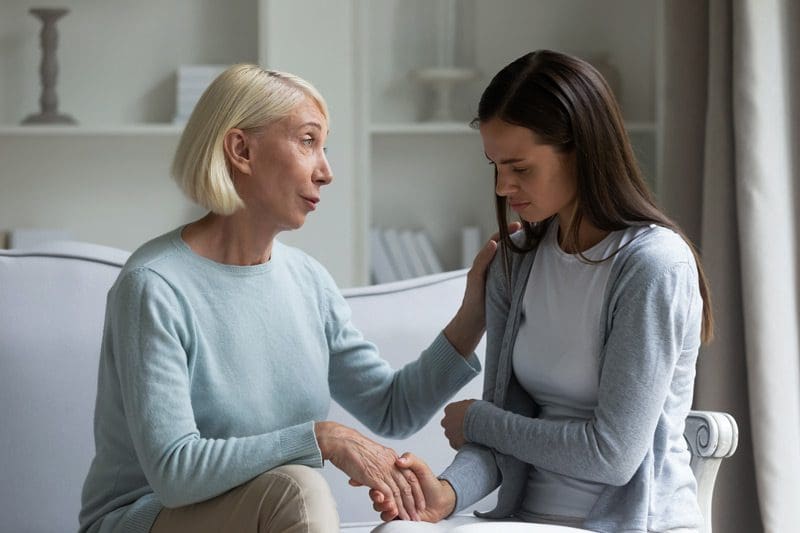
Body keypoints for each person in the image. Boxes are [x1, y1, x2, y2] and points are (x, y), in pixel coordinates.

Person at [77, 64, 500, 533]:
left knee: (300, 486)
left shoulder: (308, 281)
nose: (326, 172)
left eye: (324, 147)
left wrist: (473, 314)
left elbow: (392, 408)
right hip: (144, 520)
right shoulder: (154, 286)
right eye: (307, 141)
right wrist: (323, 438)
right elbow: (175, 472)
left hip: (260, 515)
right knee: (300, 487)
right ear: (241, 150)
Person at [368, 50, 715, 533]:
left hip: (626, 524)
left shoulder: (652, 264)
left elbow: (612, 456)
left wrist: (479, 421)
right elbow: (505, 436)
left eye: (521, 168)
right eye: (495, 166)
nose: (504, 185)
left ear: (582, 150)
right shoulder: (517, 259)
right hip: (526, 519)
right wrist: (444, 494)